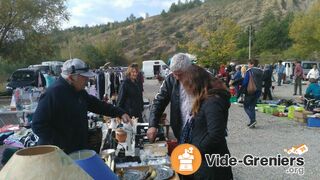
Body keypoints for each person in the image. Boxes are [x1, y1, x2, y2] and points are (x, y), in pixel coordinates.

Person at [32, 58, 131, 154]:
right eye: (84, 77)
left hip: (77, 149)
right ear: (71, 77)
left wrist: (119, 112)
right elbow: (38, 125)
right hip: (60, 154)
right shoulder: (53, 94)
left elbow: (97, 105)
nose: (87, 80)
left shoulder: (78, 91)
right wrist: (62, 143)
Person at [180, 65, 233, 180]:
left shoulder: (212, 102)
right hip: (205, 158)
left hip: (211, 163)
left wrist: (196, 151)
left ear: (195, 84)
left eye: (187, 86)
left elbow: (215, 135)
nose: (186, 89)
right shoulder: (205, 99)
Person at [147, 53, 193, 142]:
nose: (177, 77)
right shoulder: (170, 79)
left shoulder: (202, 78)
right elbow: (158, 101)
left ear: (189, 70)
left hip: (200, 133)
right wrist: (152, 125)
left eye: (180, 74)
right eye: (174, 73)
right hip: (181, 131)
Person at [238, 59, 263, 128]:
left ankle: (253, 120)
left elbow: (245, 82)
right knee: (252, 106)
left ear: (252, 64)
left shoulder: (249, 71)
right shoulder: (261, 71)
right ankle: (252, 122)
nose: (248, 65)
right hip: (258, 91)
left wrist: (242, 91)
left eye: (249, 64)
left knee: (246, 106)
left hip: (250, 91)